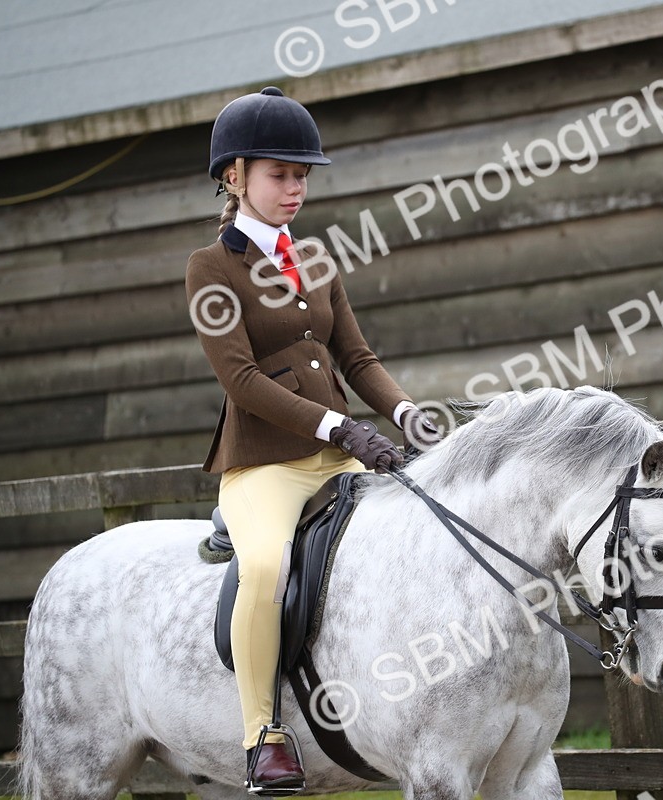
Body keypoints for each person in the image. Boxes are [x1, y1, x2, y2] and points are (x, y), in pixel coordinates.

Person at [184, 86, 440, 795]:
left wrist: (406, 412)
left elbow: (356, 358)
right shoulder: (211, 268)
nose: (295, 188)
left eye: (302, 176)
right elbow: (240, 379)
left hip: (343, 450)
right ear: (234, 178)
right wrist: (340, 426)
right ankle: (261, 734)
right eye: (279, 174)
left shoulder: (319, 258)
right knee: (265, 569)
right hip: (266, 463)